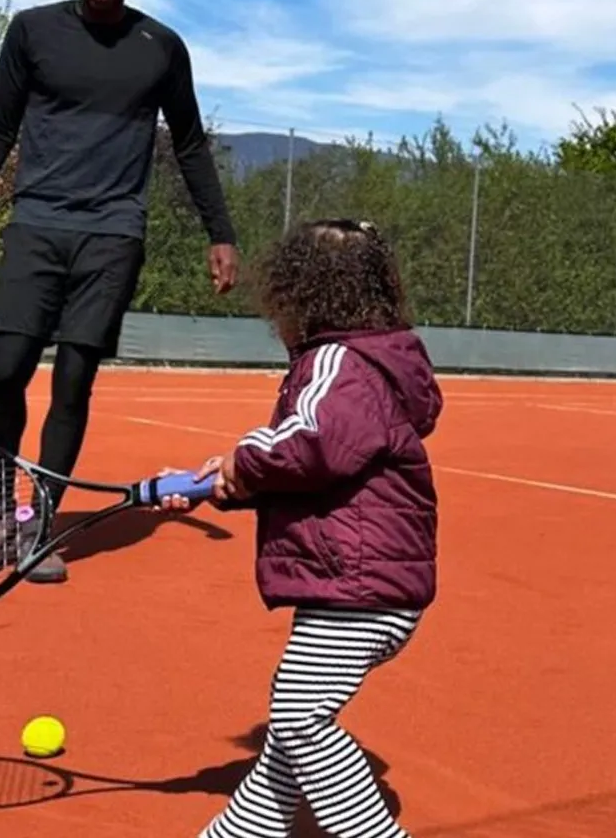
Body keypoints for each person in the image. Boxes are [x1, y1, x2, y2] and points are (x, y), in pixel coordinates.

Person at [0, 0, 239, 585]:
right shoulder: (33, 32)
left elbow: (188, 144)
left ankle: (39, 522)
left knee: (74, 381)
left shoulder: (161, 47)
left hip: (112, 232)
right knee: (8, 367)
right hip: (36, 222)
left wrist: (220, 233)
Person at [156, 218, 441, 838]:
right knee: (289, 736)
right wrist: (230, 484)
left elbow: (310, 444)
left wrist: (241, 462)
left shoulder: (337, 361)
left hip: (358, 585)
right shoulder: (373, 361)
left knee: (299, 720)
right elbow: (312, 473)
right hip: (363, 578)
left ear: (302, 296)